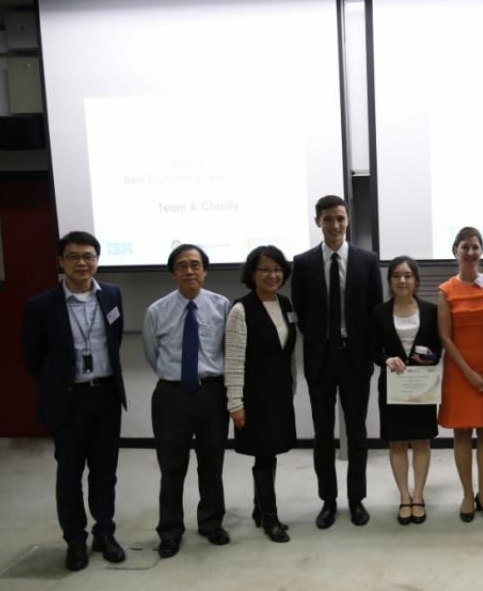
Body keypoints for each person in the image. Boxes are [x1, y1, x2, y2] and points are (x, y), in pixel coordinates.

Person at [22, 231, 128, 571]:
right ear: (61, 261)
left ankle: (104, 533)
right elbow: (33, 358)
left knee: (105, 471)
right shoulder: (41, 305)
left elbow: (115, 341)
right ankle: (75, 540)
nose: (82, 263)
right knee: (69, 473)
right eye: (73, 257)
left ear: (97, 260)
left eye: (88, 256)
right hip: (69, 401)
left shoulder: (112, 295)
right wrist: (61, 385)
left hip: (106, 395)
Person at [291, 195, 383, 528]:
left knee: (357, 433)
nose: (335, 225)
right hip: (320, 359)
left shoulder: (367, 260)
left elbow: (375, 310)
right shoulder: (302, 263)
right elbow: (300, 311)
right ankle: (328, 501)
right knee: (322, 434)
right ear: (318, 221)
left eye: (340, 218)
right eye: (328, 219)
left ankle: (356, 500)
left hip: (355, 359)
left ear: (348, 220)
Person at [143, 244, 231, 558]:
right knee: (172, 467)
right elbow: (152, 354)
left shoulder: (222, 306)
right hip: (171, 396)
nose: (189, 271)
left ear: (205, 271)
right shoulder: (157, 310)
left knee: (212, 464)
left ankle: (211, 523)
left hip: (211, 393)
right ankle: (169, 531)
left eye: (195, 265)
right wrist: (178, 379)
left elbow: (227, 351)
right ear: (173, 272)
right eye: (182, 265)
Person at [437, 226, 483, 522]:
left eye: (475, 247)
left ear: (481, 251)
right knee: (461, 433)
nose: (470, 252)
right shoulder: (446, 290)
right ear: (455, 251)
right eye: (464, 247)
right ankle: (467, 495)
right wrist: (469, 373)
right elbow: (445, 337)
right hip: (459, 373)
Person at [225, 246, 297, 543]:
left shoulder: (286, 303)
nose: (272, 275)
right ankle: (270, 518)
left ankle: (259, 508)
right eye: (265, 269)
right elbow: (233, 360)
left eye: (277, 269)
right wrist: (235, 404)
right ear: (252, 273)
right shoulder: (240, 310)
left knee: (271, 453)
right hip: (254, 397)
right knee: (264, 456)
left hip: (279, 394)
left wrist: (292, 387)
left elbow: (289, 352)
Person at [370, 256, 442, 525]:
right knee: (397, 442)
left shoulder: (431, 310)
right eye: (397, 276)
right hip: (392, 387)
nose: (402, 280)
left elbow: (438, 348)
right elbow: (372, 350)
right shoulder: (379, 312)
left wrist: (429, 358)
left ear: (416, 280)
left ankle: (419, 496)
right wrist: (385, 359)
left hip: (422, 386)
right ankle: (404, 496)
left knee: (422, 441)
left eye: (408, 275)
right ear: (390, 281)